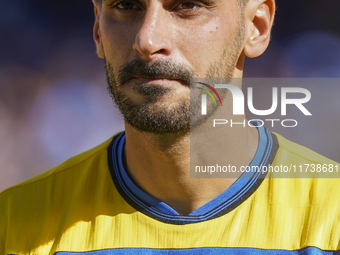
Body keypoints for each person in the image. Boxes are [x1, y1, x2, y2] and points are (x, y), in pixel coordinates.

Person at [1, 0, 339, 253]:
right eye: (126, 5)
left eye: (187, 6)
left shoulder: (330, 217)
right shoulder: (13, 225)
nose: (148, 40)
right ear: (97, 30)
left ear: (257, 27)